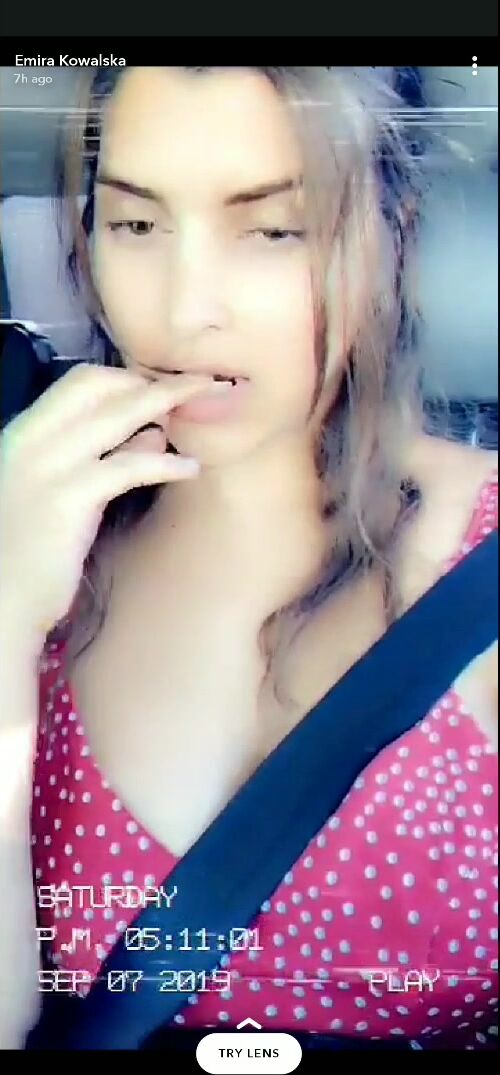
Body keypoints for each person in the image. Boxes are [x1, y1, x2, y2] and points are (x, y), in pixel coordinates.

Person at [0, 66, 497, 1051]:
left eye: (274, 230)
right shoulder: (34, 528)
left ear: (392, 235)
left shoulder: (480, 561)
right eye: (136, 223)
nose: (185, 309)